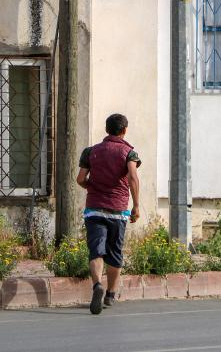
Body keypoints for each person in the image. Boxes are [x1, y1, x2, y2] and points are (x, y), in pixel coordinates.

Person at [77, 113, 141, 315]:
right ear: (124, 130)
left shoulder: (91, 151)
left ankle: (97, 285)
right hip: (118, 210)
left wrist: (92, 188)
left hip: (94, 208)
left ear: (106, 129)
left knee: (96, 251)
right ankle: (111, 294)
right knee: (114, 252)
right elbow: (132, 176)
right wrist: (136, 205)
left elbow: (80, 179)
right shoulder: (129, 152)